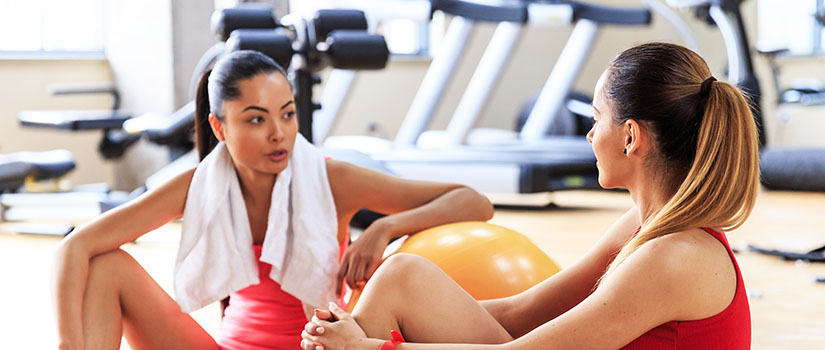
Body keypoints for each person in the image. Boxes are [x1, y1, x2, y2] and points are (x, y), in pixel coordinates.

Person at [300, 42, 759, 350]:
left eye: (597, 119)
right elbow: (524, 311)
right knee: (402, 277)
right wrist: (366, 327)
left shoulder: (676, 257)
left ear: (631, 137)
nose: (589, 134)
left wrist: (373, 346)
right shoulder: (646, 229)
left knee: (390, 298)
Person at [51, 50, 494, 350]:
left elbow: (472, 202)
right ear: (220, 128)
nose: (279, 133)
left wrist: (384, 227)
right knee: (105, 266)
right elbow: (75, 247)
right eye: (256, 119)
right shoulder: (197, 186)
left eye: (287, 113)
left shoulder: (329, 177)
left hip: (316, 345)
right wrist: (69, 345)